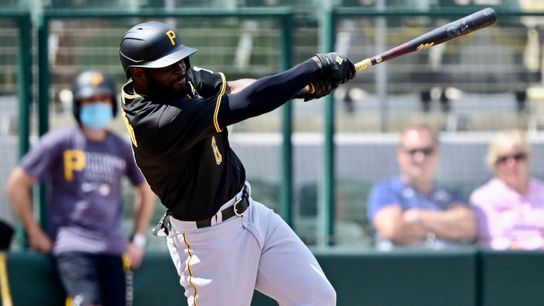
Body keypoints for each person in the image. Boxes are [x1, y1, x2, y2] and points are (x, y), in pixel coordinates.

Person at [118, 20, 355, 306]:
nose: (181, 69)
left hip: (251, 213)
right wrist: (313, 66)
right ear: (139, 75)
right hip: (209, 241)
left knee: (315, 297)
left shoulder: (173, 83)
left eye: (181, 60)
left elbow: (233, 89)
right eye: (169, 66)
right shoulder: (158, 121)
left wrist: (300, 88)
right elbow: (247, 104)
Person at [5, 70, 156, 306]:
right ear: (77, 105)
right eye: (89, 100)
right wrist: (34, 232)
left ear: (112, 104)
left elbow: (146, 190)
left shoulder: (121, 147)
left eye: (102, 99)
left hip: (115, 249)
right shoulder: (59, 141)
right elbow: (17, 184)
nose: (97, 105)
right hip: (74, 246)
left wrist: (137, 239)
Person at [367, 124, 476, 250]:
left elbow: (468, 227)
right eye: (412, 151)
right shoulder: (386, 191)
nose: (420, 158)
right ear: (400, 155)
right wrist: (445, 227)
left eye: (427, 151)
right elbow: (392, 228)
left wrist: (415, 217)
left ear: (437, 154)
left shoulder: (450, 194)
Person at [470, 130, 544, 250]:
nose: (512, 164)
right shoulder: (483, 198)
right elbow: (491, 242)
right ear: (494, 164)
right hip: (504, 263)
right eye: (503, 159)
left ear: (528, 159)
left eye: (518, 157)